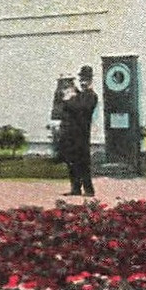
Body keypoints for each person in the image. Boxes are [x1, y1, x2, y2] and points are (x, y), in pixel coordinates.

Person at [59, 65, 98, 197]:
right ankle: (75, 188)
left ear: (91, 81)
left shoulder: (91, 96)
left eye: (85, 80)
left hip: (82, 134)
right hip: (71, 134)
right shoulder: (79, 95)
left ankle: (89, 189)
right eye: (81, 79)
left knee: (83, 162)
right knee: (72, 162)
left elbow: (79, 107)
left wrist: (68, 99)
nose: (83, 83)